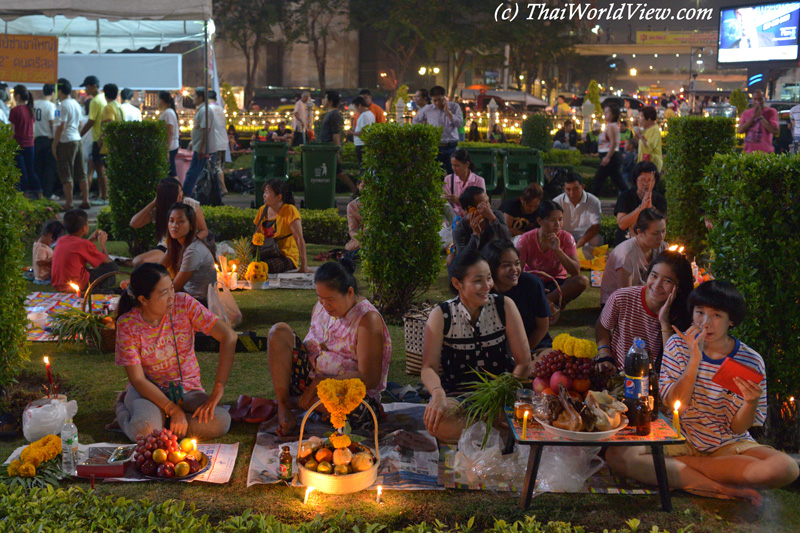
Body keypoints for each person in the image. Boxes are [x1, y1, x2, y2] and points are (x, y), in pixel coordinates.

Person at [606, 280, 799, 505]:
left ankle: (682, 471)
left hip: (727, 446)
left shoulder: (750, 360)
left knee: (786, 468)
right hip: (680, 436)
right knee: (617, 456)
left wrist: (750, 402)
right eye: (699, 313)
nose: (705, 323)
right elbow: (675, 403)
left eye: (716, 315)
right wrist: (694, 359)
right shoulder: (678, 345)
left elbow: (738, 427)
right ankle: (716, 487)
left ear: (732, 320)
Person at [267, 259, 392, 436]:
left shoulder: (366, 320)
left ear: (349, 293)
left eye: (330, 300)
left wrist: (323, 384)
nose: (324, 305)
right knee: (278, 332)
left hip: (343, 392)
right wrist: (313, 384)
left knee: (352, 407)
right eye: (320, 298)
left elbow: (369, 377)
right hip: (309, 382)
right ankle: (284, 405)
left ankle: (300, 403)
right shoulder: (321, 307)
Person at [114, 263, 236, 442]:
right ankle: (121, 407)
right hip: (148, 391)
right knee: (144, 430)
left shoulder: (184, 304)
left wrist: (218, 388)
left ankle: (162, 426)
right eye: (163, 293)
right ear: (143, 299)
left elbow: (229, 336)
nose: (172, 297)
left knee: (220, 421)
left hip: (186, 390)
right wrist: (172, 409)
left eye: (171, 288)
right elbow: (138, 379)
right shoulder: (127, 324)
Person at [421, 250, 531, 443]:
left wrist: (500, 393)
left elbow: (524, 362)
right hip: (457, 395)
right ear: (458, 284)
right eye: (478, 280)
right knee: (438, 423)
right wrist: (438, 394)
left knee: (525, 415)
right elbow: (428, 367)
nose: (487, 286)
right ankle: (499, 434)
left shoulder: (504, 306)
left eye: (489, 278)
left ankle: (480, 434)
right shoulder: (441, 314)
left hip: (501, 396)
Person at [595, 250, 693, 373]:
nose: (657, 285)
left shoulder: (685, 313)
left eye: (667, 281)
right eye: (654, 275)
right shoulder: (622, 298)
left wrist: (664, 321)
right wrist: (605, 355)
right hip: (620, 375)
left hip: (660, 381)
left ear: (679, 288)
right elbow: (602, 325)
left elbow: (675, 362)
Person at [482, 241, 552, 361]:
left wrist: (521, 354)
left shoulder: (532, 284)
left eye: (517, 263)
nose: (514, 269)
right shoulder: (484, 290)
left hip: (534, 345)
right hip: (495, 351)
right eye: (506, 265)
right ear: (492, 268)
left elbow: (542, 327)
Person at [517, 200, 589, 310]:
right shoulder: (525, 239)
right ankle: (552, 302)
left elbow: (575, 271)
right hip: (534, 282)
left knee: (582, 281)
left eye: (560, 220)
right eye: (552, 220)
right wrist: (533, 287)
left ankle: (546, 301)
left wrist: (558, 250)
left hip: (557, 284)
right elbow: (518, 272)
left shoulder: (566, 238)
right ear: (540, 221)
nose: (558, 225)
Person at [130, 177, 207, 267]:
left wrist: (189, 243)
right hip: (166, 247)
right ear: (169, 195)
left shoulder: (189, 204)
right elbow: (134, 223)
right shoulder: (160, 210)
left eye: (181, 190)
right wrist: (154, 202)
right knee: (138, 261)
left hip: (188, 245)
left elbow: (204, 230)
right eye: (178, 192)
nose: (181, 194)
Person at [600, 208, 667, 306]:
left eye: (663, 231)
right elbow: (624, 294)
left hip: (648, 296)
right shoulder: (626, 254)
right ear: (640, 232)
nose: (661, 237)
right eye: (655, 233)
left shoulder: (661, 247)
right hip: (617, 304)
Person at [160, 202, 217, 305]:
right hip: (186, 296)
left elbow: (175, 287)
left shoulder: (193, 250)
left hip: (199, 304)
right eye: (171, 221)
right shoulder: (177, 244)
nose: (174, 225)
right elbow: (157, 268)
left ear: (191, 226)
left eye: (181, 221)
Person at [51, 208, 118, 292]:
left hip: (59, 283)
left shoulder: (61, 240)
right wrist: (102, 243)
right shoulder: (84, 244)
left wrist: (91, 239)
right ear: (83, 228)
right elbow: (106, 261)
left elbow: (78, 249)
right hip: (78, 284)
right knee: (112, 266)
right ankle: (97, 286)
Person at [253, 179, 311, 274]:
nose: (264, 196)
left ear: (279, 197)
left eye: (267, 193)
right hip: (266, 252)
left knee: (266, 266)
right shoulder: (262, 210)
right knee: (250, 263)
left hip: (286, 256)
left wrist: (304, 265)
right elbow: (256, 235)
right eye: (264, 192)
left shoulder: (290, 210)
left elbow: (299, 238)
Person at [52, 78, 89, 210]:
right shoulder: (76, 103)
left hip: (66, 141)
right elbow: (79, 123)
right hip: (77, 140)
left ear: (60, 91)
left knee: (66, 173)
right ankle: (85, 200)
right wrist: (77, 135)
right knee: (81, 172)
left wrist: (54, 144)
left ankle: (69, 203)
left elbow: (61, 126)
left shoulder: (62, 105)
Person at [413, 85, 463, 175]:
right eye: (434, 100)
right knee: (435, 174)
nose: (437, 103)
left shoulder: (455, 107)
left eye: (440, 99)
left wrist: (448, 112)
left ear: (445, 97)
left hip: (451, 146)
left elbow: (459, 124)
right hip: (436, 146)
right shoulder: (428, 109)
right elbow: (415, 120)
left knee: (453, 175)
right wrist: (425, 131)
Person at [614, 161, 667, 245]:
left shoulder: (660, 199)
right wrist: (641, 207)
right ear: (636, 179)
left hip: (651, 243)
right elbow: (622, 224)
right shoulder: (625, 196)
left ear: (654, 181)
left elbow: (661, 226)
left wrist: (650, 209)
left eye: (649, 180)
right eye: (642, 180)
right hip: (626, 242)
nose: (645, 184)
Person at [318, 90, 358, 194]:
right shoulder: (330, 114)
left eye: (326, 98)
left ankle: (355, 190)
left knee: (338, 172)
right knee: (335, 172)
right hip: (326, 149)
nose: (323, 100)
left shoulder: (334, 114)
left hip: (330, 150)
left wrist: (337, 150)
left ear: (330, 101)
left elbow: (336, 134)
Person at [553, 174, 603, 257]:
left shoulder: (593, 201)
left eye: (575, 189)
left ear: (583, 187)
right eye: (568, 189)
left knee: (597, 239)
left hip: (584, 237)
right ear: (564, 189)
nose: (572, 193)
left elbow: (596, 226)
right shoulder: (557, 201)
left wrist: (579, 243)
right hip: (563, 236)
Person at [452, 186, 512, 255]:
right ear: (471, 209)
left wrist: (493, 220)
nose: (488, 207)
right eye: (484, 205)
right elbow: (464, 257)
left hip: (494, 258)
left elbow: (507, 241)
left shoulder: (496, 215)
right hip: (475, 262)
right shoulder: (460, 229)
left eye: (488, 202)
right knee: (450, 258)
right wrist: (475, 235)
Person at [8, 84, 42, 199]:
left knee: (21, 172)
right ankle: (40, 194)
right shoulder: (30, 110)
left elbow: (12, 132)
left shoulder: (14, 111)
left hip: (19, 145)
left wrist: (8, 144)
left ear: (17, 96)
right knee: (31, 171)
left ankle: (25, 196)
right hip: (30, 145)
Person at [78, 75, 108, 203]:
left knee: (99, 169)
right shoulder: (103, 99)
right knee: (101, 169)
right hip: (103, 138)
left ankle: (104, 196)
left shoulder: (95, 101)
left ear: (94, 86)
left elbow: (91, 121)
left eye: (87, 86)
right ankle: (104, 195)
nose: (86, 89)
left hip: (97, 139)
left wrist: (80, 134)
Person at [182, 88, 214, 197]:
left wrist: (201, 147)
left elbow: (206, 129)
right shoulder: (202, 110)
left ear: (200, 98)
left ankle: (185, 195)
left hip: (201, 148)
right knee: (198, 172)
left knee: (193, 173)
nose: (192, 99)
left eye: (194, 96)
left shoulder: (204, 110)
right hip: (198, 146)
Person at [591, 103, 625, 196]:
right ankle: (631, 199)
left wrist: (607, 157)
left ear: (613, 114)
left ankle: (590, 202)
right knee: (617, 181)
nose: (605, 114)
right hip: (610, 157)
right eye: (604, 112)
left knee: (598, 181)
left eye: (607, 112)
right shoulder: (610, 126)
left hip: (611, 158)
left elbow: (614, 143)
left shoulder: (611, 126)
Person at [34, 83, 59, 199]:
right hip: (48, 140)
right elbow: (52, 124)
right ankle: (48, 193)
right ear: (53, 93)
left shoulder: (34, 104)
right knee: (50, 168)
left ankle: (38, 192)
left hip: (36, 140)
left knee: (38, 167)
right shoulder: (51, 106)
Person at [443, 149, 485, 217]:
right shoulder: (448, 179)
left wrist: (459, 199)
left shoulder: (478, 180)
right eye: (452, 165)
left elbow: (481, 204)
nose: (453, 168)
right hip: (452, 218)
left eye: (456, 166)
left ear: (467, 164)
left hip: (471, 217)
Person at [738, 90, 778, 154]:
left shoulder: (771, 112)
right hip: (748, 152)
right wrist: (753, 117)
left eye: (760, 99)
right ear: (752, 100)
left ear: (764, 99)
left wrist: (760, 117)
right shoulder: (746, 113)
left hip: (766, 152)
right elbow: (740, 130)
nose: (757, 102)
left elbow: (774, 131)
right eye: (755, 99)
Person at [98, 84, 123, 182]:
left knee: (109, 174)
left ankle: (109, 196)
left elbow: (109, 124)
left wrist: (101, 138)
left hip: (108, 146)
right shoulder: (119, 106)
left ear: (105, 94)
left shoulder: (108, 107)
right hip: (117, 144)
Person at [208, 90, 229, 196]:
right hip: (224, 141)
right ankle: (220, 188)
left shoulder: (209, 109)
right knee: (220, 166)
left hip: (216, 142)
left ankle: (223, 188)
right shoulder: (220, 109)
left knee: (217, 167)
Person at [32, 219, 64, 285]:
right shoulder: (41, 247)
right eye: (52, 240)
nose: (52, 243)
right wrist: (54, 258)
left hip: (45, 277)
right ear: (48, 235)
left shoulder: (42, 245)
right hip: (44, 279)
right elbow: (39, 262)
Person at [157, 91, 180, 179]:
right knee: (170, 172)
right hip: (170, 146)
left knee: (172, 172)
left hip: (170, 147)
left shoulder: (168, 113)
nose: (157, 102)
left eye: (158, 99)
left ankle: (178, 190)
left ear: (162, 100)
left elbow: (170, 132)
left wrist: (167, 150)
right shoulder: (168, 112)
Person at [635, 106, 663, 172]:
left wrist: (639, 135)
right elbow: (641, 143)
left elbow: (649, 146)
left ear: (649, 119)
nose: (640, 119)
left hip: (651, 164)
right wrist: (637, 135)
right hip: (644, 161)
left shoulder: (654, 130)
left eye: (641, 117)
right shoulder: (646, 129)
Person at [351, 96, 375, 170]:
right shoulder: (370, 114)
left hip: (361, 144)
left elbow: (363, 132)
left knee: (363, 167)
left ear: (360, 105)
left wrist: (351, 133)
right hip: (364, 143)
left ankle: (362, 181)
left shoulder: (364, 115)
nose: (356, 110)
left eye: (356, 107)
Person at [345, 180, 365, 254]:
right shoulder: (352, 206)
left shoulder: (378, 204)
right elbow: (353, 229)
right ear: (358, 185)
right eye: (363, 186)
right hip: (361, 238)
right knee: (349, 246)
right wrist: (359, 241)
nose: (366, 189)